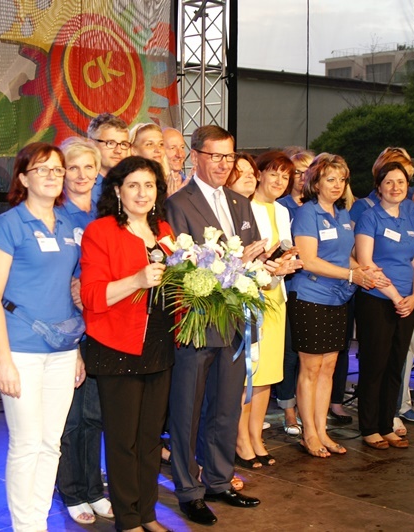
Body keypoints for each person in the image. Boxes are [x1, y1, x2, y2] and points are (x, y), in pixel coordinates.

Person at [166, 125, 267, 526]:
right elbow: (180, 266)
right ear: (196, 157)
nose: (225, 164)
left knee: (226, 408)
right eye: (216, 156)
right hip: (198, 323)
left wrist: (269, 265)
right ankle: (188, 490)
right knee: (188, 411)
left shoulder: (240, 203)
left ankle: (219, 481)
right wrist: (234, 265)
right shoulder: (179, 203)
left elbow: (250, 257)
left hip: (234, 324)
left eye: (229, 156)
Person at [0, 142, 83, 531]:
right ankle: (25, 525)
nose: (52, 176)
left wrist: (76, 351)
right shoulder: (8, 225)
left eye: (57, 169)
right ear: (23, 179)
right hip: (20, 349)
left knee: (51, 443)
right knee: (26, 444)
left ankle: (37, 520)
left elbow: (68, 290)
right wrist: (2, 359)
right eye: (42, 169)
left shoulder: (67, 225)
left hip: (62, 349)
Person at [81, 156, 174, 532]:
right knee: (123, 440)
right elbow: (91, 295)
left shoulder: (164, 230)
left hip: (159, 344)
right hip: (117, 344)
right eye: (133, 185)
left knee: (151, 438)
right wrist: (136, 280)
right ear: (118, 190)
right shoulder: (100, 231)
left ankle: (147, 513)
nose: (142, 193)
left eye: (149, 185)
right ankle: (128, 518)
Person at [289, 153, 382, 458]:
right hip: (311, 297)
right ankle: (309, 433)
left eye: (341, 179)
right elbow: (309, 260)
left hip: (338, 298)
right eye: (330, 179)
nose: (337, 185)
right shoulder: (307, 213)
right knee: (311, 368)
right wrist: (352, 275)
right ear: (315, 182)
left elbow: (345, 258)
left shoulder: (342, 213)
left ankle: (322, 431)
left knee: (328, 368)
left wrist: (364, 270)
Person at [53, 137, 113, 525]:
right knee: (70, 419)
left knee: (94, 416)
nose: (81, 175)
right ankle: (72, 491)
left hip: (101, 328)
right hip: (67, 331)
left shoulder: (103, 215)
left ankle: (94, 488)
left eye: (88, 167)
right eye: (72, 167)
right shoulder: (56, 216)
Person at [350, 147, 414, 435]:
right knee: (374, 366)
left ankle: (387, 424)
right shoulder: (370, 217)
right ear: (378, 187)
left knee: (396, 366)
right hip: (378, 301)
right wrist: (396, 297)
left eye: (401, 182)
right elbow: (366, 263)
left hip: (407, 303)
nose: (395, 187)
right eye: (389, 182)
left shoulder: (409, 214)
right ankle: (370, 429)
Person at [235, 151, 296, 468]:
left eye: (285, 176)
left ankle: (256, 435)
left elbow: (282, 252)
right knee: (249, 373)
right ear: (259, 174)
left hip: (275, 296)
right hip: (250, 297)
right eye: (274, 173)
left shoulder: (282, 211)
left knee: (267, 374)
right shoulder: (244, 207)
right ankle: (240, 439)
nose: (279, 181)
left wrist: (286, 264)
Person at [275, 150, 313, 436]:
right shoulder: (280, 206)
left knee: (309, 355)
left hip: (316, 288)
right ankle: (288, 409)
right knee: (289, 353)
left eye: (307, 172)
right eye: (296, 172)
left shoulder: (318, 207)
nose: (301, 178)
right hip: (287, 287)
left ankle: (309, 409)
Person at [87, 113, 130, 204]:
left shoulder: (130, 182)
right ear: (91, 145)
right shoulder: (82, 184)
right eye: (110, 143)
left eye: (123, 144)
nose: (118, 151)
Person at [162, 127, 188, 196]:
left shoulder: (190, 185)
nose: (180, 155)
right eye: (172, 148)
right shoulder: (152, 186)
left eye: (182, 147)